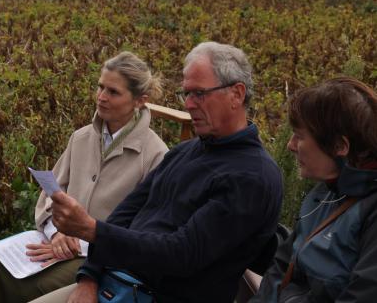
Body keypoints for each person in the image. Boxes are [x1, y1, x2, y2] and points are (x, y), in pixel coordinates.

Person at [35, 41, 283, 303]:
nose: (188, 104)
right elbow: (123, 215)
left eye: (199, 94)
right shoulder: (184, 152)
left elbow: (182, 255)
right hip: (116, 284)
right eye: (185, 94)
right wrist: (88, 278)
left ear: (237, 94)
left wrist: (92, 230)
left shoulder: (251, 177)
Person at [0, 52, 169, 303]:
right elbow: (51, 194)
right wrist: (58, 234)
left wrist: (79, 243)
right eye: (100, 87)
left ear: (140, 100)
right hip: (62, 244)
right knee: (2, 271)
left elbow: (144, 232)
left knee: (38, 286)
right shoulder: (81, 138)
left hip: (104, 261)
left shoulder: (156, 155)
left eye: (113, 92)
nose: (102, 97)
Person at [251, 78, 377, 302]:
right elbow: (281, 268)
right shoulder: (325, 194)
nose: (290, 145)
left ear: (340, 146)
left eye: (299, 136)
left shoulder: (369, 213)